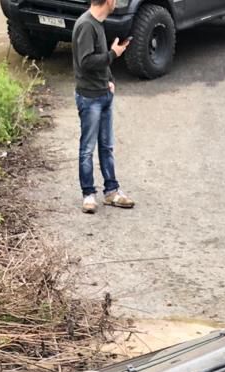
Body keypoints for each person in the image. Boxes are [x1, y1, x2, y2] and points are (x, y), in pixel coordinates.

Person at [72, 0, 135, 214]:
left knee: (106, 146)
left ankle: (111, 191)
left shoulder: (98, 23)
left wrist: (109, 79)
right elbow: (86, 62)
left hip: (103, 93)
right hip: (89, 98)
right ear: (108, 1)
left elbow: (99, 59)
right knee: (87, 149)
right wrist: (113, 54)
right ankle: (88, 194)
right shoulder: (86, 25)